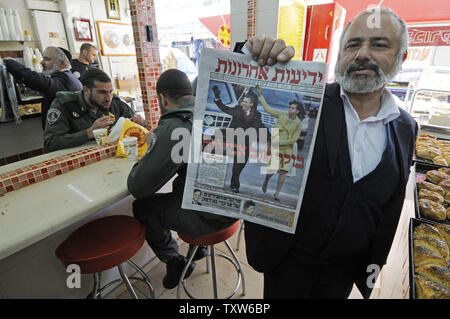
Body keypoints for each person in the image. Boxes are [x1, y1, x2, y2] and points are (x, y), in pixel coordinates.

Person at [243, 7, 417, 299]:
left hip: (344, 273)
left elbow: (389, 205)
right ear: (340, 54)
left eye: (379, 44)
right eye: (353, 44)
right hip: (287, 263)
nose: (362, 53)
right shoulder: (304, 101)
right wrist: (253, 56)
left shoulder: (405, 128)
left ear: (402, 58)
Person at [127, 69, 235, 289]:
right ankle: (200, 249)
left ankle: (175, 261)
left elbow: (138, 186)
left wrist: (153, 146)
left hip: (208, 216)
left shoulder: (175, 126)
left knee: (144, 207)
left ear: (162, 99)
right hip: (232, 210)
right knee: (182, 189)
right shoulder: (213, 111)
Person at [44, 68, 144, 152]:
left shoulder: (115, 103)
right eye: (102, 92)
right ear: (86, 90)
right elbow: (50, 143)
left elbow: (136, 127)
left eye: (110, 92)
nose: (108, 98)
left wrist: (139, 123)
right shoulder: (64, 104)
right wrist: (89, 133)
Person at [3, 46, 82, 129]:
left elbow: (34, 79)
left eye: (47, 59)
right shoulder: (68, 77)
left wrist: (9, 62)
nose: (41, 62)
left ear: (62, 64)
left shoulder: (65, 80)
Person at [212, 86, 267, 193]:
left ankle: (234, 184)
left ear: (252, 104)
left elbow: (259, 126)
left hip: (245, 142)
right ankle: (234, 184)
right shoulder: (237, 109)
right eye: (242, 101)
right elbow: (224, 108)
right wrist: (217, 97)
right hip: (232, 139)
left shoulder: (256, 115)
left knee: (240, 165)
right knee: (234, 162)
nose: (243, 103)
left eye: (246, 102)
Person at [255, 85, 303, 201]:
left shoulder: (298, 123)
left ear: (297, 111)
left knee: (283, 171)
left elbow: (294, 139)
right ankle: (266, 181)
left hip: (287, 148)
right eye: (290, 107)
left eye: (293, 108)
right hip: (276, 145)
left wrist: (280, 142)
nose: (290, 110)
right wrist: (260, 96)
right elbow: (268, 109)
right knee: (272, 169)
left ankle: (277, 193)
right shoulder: (281, 114)